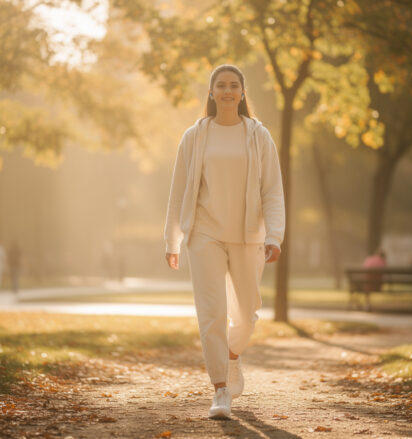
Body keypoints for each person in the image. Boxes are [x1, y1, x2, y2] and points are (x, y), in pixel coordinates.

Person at [163, 64, 285, 420]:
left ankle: (232, 356)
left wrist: (274, 235)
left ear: (243, 93)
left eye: (234, 85)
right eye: (221, 85)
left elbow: (273, 191)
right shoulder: (195, 136)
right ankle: (220, 390)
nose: (228, 91)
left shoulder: (258, 135)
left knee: (247, 315)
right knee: (211, 314)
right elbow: (178, 191)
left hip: (248, 236)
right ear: (212, 93)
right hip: (205, 233)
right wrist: (173, 238)